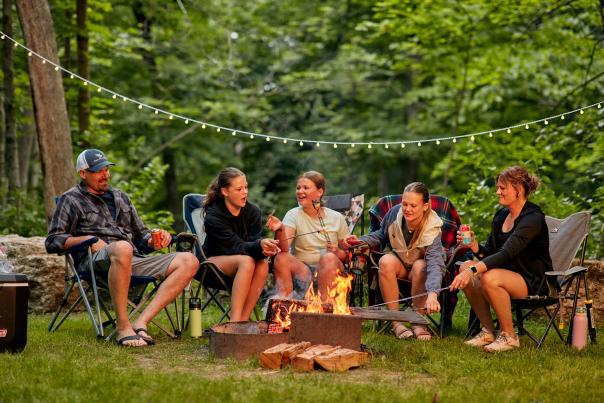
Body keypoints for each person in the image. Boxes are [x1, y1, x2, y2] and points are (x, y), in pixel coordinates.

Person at [46, 149, 199, 347]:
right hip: (96, 263)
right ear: (83, 173)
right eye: (99, 170)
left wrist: (154, 241)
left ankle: (141, 322)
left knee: (189, 260)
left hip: (131, 258)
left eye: (107, 169)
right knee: (122, 248)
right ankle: (123, 327)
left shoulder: (121, 197)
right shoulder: (71, 199)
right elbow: (53, 241)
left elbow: (141, 236)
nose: (106, 174)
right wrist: (90, 239)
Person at [450, 166, 553, 352]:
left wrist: (473, 271)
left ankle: (509, 337)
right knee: (466, 265)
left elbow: (506, 254)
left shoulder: (533, 218)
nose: (498, 192)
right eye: (498, 187)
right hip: (503, 274)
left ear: (518, 189)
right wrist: (474, 247)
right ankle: (488, 331)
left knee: (487, 276)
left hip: (531, 280)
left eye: (502, 188)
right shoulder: (501, 216)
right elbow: (490, 254)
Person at [341, 182, 445, 340]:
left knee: (420, 265)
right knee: (385, 261)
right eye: (404, 204)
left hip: (420, 273)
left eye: (413, 205)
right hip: (400, 265)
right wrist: (359, 241)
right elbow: (380, 235)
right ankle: (396, 322)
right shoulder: (394, 214)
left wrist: (433, 294)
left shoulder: (433, 226)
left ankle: (418, 322)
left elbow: (435, 263)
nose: (407, 209)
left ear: (425, 206)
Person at [202, 167, 280, 322]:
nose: (245, 192)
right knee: (247, 261)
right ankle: (235, 322)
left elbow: (252, 244)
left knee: (263, 264)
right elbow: (234, 247)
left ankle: (243, 321)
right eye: (239, 189)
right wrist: (259, 245)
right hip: (212, 263)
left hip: (243, 262)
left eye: (246, 187)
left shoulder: (252, 212)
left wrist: (266, 248)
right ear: (225, 192)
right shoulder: (213, 217)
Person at [268, 171, 349, 300]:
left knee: (328, 258)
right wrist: (279, 230)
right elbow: (283, 248)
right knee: (282, 257)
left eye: (306, 188)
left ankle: (324, 309)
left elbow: (348, 256)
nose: (300, 191)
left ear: (320, 191)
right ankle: (284, 306)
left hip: (330, 270)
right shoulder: (293, 214)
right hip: (303, 272)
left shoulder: (337, 217)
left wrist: (337, 251)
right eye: (298, 188)